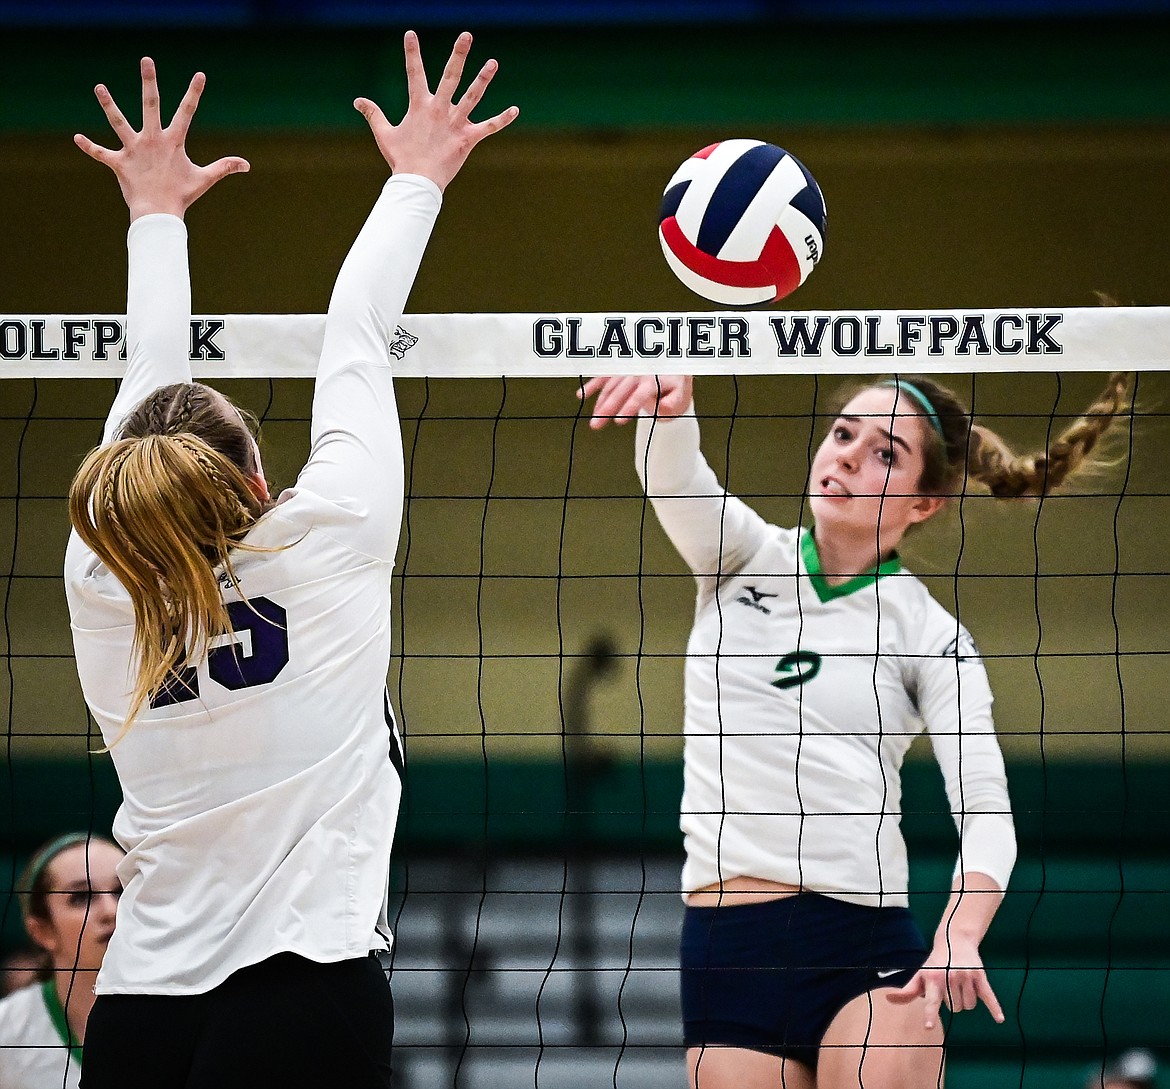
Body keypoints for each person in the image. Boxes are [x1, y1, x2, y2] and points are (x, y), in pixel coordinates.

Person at [64, 35, 516, 1089]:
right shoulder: (330, 537)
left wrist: (155, 217)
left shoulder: (100, 585)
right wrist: (416, 176)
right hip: (304, 983)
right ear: (258, 483)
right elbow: (355, 335)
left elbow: (148, 382)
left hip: (139, 1011)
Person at [580, 372, 1129, 1089]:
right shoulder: (739, 556)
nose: (845, 455)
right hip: (730, 948)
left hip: (863, 945)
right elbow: (674, 475)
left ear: (923, 501)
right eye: (843, 433)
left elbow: (988, 814)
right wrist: (671, 413)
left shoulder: (930, 632)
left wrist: (959, 933)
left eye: (885, 453)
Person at [0, 833, 123, 1089]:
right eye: (82, 898)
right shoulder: (7, 1030)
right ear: (42, 931)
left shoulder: (191, 1016)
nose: (111, 911)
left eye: (121, 891)